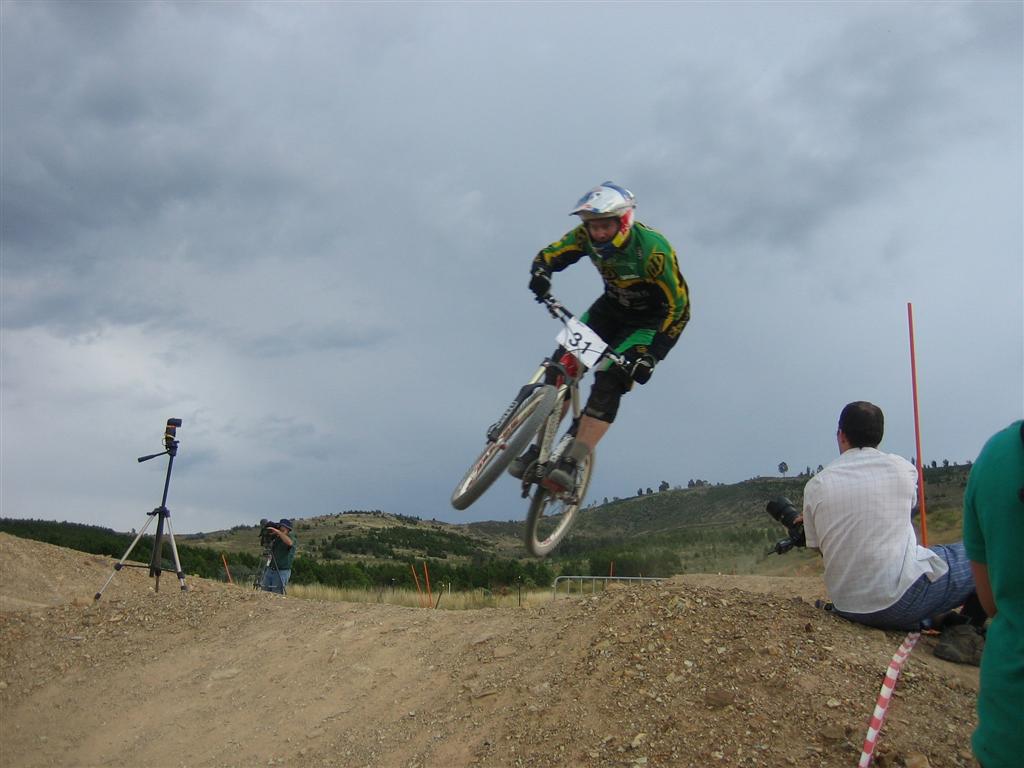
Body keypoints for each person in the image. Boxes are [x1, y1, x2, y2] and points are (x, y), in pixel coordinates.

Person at [511, 181, 690, 493]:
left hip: (647, 323)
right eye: (593, 227)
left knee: (609, 383)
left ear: (623, 222)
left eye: (605, 226)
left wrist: (652, 356)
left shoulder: (653, 250)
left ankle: (572, 461)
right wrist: (540, 273)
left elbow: (680, 308)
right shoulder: (586, 236)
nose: (599, 233)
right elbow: (553, 254)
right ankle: (536, 451)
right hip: (608, 310)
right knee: (559, 371)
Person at [800, 401, 985, 635]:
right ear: (879, 436)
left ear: (841, 434)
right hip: (897, 603)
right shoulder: (903, 469)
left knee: (931, 559)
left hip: (847, 606)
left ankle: (937, 622)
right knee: (988, 552)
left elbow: (821, 549)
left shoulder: (816, 485)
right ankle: (967, 634)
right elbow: (907, 509)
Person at [962, 420, 1024, 768]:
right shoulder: (899, 469)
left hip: (1009, 732)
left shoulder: (998, 454)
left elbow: (992, 603)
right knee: (952, 557)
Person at [260, 518, 296, 594]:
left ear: (287, 529)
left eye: (282, 527)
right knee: (264, 592)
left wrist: (278, 532)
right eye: (279, 527)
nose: (279, 528)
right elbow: (266, 545)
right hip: (270, 569)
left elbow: (289, 543)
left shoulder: (291, 537)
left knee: (276, 595)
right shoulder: (277, 538)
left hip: (282, 572)